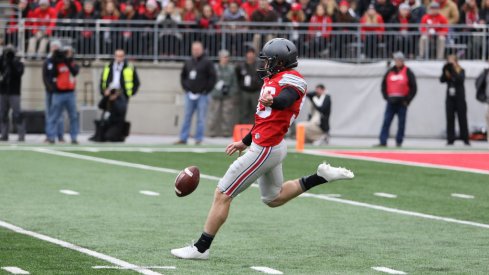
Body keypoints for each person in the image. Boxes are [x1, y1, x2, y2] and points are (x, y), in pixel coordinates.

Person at [170, 38, 354, 260]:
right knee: (273, 198)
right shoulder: (274, 78)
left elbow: (285, 100)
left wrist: (272, 101)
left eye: (268, 61)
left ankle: (201, 248)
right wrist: (245, 141)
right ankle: (320, 177)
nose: (265, 65)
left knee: (222, 193)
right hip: (268, 144)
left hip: (266, 148)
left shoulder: (293, 80)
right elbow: (263, 119)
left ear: (280, 61)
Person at [175, 41, 217, 145]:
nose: (196, 51)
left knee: (201, 118)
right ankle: (183, 138)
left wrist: (206, 90)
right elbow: (183, 76)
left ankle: (199, 138)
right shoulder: (188, 62)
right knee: (187, 117)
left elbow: (212, 78)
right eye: (194, 49)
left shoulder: (207, 62)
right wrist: (186, 88)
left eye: (198, 49)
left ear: (202, 50)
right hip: (189, 94)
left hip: (202, 95)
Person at [378, 52, 417, 147]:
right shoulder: (390, 71)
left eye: (399, 60)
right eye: (396, 60)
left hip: (402, 102)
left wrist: (408, 100)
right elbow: (383, 84)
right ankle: (383, 141)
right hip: (391, 101)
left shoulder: (408, 71)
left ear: (402, 61)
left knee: (401, 123)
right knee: (386, 121)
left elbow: (414, 87)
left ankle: (399, 141)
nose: (397, 61)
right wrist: (386, 97)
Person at [46, 46, 80, 144]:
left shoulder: (73, 64)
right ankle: (51, 136)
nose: (66, 54)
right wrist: (56, 58)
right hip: (58, 93)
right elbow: (52, 74)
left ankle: (74, 137)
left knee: (73, 116)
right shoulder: (57, 63)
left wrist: (67, 61)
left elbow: (75, 72)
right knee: (54, 116)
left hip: (70, 93)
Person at [206, 50, 238, 138]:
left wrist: (230, 92)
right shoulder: (214, 68)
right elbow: (210, 80)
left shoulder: (231, 68)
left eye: (227, 57)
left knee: (227, 114)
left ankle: (226, 132)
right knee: (213, 113)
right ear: (219, 57)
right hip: (216, 94)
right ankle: (211, 132)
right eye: (223, 57)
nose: (225, 59)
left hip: (227, 95)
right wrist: (213, 90)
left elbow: (234, 82)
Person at [440, 55, 469, 145]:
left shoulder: (461, 70)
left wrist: (453, 70)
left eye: (452, 61)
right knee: (450, 118)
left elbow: (460, 80)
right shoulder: (447, 70)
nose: (450, 63)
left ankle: (465, 138)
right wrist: (445, 71)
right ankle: (450, 139)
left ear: (456, 62)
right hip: (450, 98)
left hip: (460, 97)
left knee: (462, 118)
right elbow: (442, 80)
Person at [0, 45, 25, 142]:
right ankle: (4, 134)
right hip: (3, 91)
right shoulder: (2, 61)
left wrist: (12, 62)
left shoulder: (18, 62)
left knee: (17, 114)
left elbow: (19, 73)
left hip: (14, 92)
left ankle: (21, 135)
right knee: (2, 114)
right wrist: (3, 57)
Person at [42, 40, 65, 143]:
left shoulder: (62, 60)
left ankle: (60, 136)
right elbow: (45, 76)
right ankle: (49, 135)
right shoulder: (47, 61)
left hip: (59, 91)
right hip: (49, 91)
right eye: (53, 46)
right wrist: (50, 87)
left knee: (59, 114)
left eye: (56, 46)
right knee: (49, 113)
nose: (54, 48)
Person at [235, 47, 263, 124]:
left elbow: (263, 77)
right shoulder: (241, 66)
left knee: (257, 110)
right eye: (249, 53)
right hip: (245, 91)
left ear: (254, 54)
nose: (250, 55)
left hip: (256, 91)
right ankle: (244, 128)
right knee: (244, 111)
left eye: (252, 53)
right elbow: (238, 77)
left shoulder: (260, 65)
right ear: (246, 54)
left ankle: (258, 127)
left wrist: (259, 85)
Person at [475, 65, 489, 142]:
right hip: (487, 100)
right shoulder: (486, 72)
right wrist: (482, 95)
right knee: (488, 119)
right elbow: (478, 82)